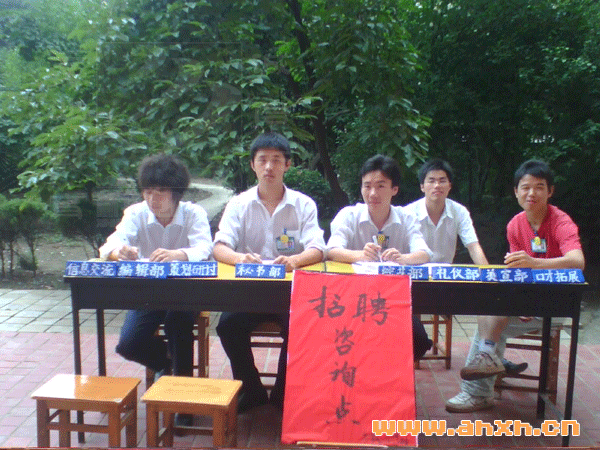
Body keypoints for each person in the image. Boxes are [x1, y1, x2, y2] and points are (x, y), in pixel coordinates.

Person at [445, 159, 585, 413]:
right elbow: (517, 271)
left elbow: (578, 261)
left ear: (550, 191)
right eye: (525, 187)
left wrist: (535, 263)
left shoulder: (561, 222)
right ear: (516, 191)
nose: (532, 193)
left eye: (539, 187)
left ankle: (477, 392)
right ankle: (488, 362)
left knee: (488, 328)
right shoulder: (515, 225)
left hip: (556, 303)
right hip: (526, 301)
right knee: (490, 307)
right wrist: (520, 299)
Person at [213, 132, 325, 412]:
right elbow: (219, 247)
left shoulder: (303, 204)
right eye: (262, 160)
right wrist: (240, 259)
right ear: (252, 165)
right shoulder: (238, 204)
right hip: (248, 291)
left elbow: (318, 248)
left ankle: (283, 393)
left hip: (290, 292)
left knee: (301, 327)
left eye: (276, 160)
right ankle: (251, 390)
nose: (269, 167)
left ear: (288, 165)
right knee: (227, 326)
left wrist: (295, 260)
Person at [99, 153, 212, 384]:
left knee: (177, 322)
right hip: (147, 293)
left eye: (160, 191)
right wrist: (119, 252)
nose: (153, 198)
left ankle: (183, 387)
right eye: (148, 191)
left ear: (176, 192)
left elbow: (205, 248)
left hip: (187, 292)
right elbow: (110, 244)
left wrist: (178, 254)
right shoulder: (136, 213)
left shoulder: (194, 213)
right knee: (128, 344)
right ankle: (165, 362)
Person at [326, 154, 433, 360]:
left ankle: (387, 372)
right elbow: (331, 250)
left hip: (392, 300)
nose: (373, 193)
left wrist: (403, 258)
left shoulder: (406, 218)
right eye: (367, 186)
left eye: (381, 186)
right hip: (352, 300)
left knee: (418, 339)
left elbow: (424, 253)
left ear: (394, 189)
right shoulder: (348, 215)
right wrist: (360, 255)